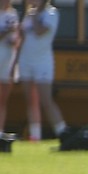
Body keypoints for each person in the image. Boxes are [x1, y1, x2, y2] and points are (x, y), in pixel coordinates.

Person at [18, 0, 68, 142]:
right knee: (30, 100)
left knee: (46, 100)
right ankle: (35, 136)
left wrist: (33, 16)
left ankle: (62, 132)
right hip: (26, 60)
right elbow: (22, 36)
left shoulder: (51, 13)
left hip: (43, 63)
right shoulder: (29, 14)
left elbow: (40, 31)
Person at [1, 0, 19, 138]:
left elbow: (15, 39)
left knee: (3, 99)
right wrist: (7, 31)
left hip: (8, 61)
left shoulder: (13, 14)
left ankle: (0, 131)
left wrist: (14, 40)